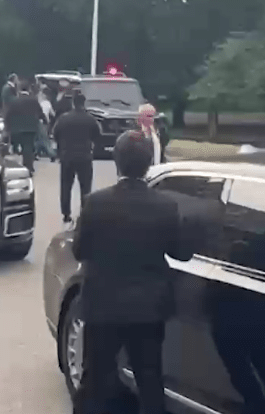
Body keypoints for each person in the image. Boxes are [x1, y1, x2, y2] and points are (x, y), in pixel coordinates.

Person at [72, 131, 191, 414]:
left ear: (116, 163)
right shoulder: (167, 206)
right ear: (148, 164)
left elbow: (79, 251)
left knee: (95, 378)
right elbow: (179, 252)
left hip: (103, 307)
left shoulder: (95, 203)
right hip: (149, 309)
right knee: (149, 378)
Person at [53, 91, 101, 224]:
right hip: (84, 156)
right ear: (84, 103)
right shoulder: (90, 119)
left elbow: (55, 134)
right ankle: (84, 211)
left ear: (73, 102)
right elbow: (97, 135)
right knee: (85, 187)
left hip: (67, 156)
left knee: (66, 186)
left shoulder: (63, 118)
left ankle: (66, 213)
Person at [4, 81, 46, 174]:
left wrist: (7, 126)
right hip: (31, 128)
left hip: (17, 129)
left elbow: (9, 114)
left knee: (22, 147)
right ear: (29, 89)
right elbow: (40, 112)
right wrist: (44, 120)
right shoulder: (33, 100)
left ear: (19, 89)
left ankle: (23, 164)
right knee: (28, 147)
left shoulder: (14, 101)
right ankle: (28, 166)